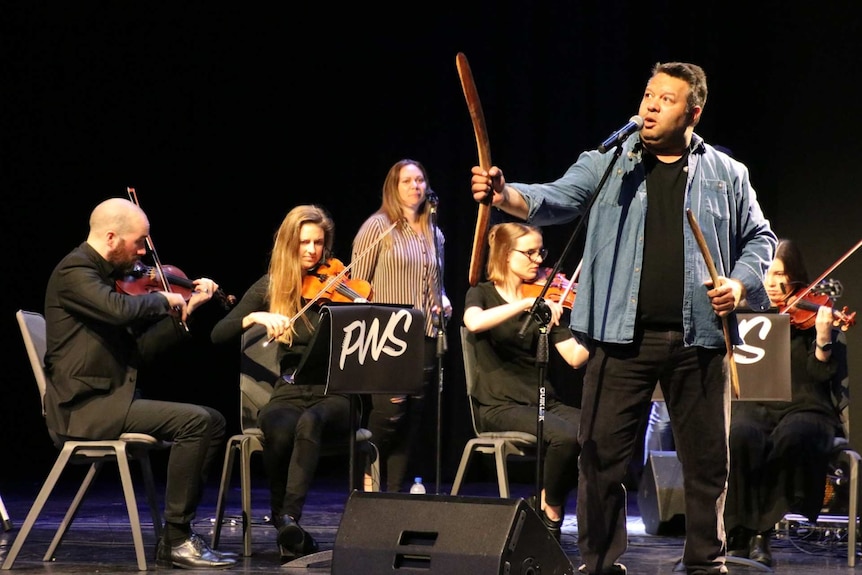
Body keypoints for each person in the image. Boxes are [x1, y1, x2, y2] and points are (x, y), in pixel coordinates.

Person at [469, 61, 777, 575]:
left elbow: (760, 240)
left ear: (693, 112)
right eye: (649, 94)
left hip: (698, 339)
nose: (651, 105)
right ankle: (600, 565)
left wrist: (739, 283)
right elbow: (553, 197)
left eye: (666, 99)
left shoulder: (728, 174)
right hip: (619, 339)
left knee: (707, 466)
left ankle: (706, 563)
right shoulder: (611, 160)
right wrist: (504, 195)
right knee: (601, 462)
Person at [43, 197, 235, 570]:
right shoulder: (74, 272)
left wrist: (187, 309)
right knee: (200, 422)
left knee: (208, 418)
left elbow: (139, 353)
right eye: (139, 242)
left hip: (109, 399)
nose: (144, 252)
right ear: (112, 237)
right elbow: (119, 308)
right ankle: (177, 539)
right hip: (85, 409)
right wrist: (165, 298)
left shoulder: (100, 278)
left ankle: (178, 535)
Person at [210, 204, 360, 561]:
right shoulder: (272, 285)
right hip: (291, 389)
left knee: (311, 421)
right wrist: (256, 314)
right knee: (276, 423)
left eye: (319, 243)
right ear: (288, 246)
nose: (312, 251)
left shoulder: (340, 286)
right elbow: (218, 335)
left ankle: (286, 516)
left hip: (336, 392)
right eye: (304, 243)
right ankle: (288, 528)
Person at [725, 239, 848, 567]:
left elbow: (821, 376)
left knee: (793, 436)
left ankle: (760, 533)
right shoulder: (747, 312)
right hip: (756, 401)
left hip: (806, 405)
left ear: (794, 277)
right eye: (765, 274)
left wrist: (822, 340)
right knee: (740, 433)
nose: (771, 283)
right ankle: (737, 531)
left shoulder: (813, 317)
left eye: (779, 274)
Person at [463, 222, 589, 541]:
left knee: (598, 431)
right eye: (530, 252)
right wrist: (523, 304)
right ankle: (553, 510)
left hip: (544, 401)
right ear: (506, 254)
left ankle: (545, 501)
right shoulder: (483, 293)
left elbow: (574, 356)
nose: (539, 260)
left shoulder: (545, 299)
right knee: (566, 437)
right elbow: (474, 322)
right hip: (499, 405)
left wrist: (599, 332)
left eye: (540, 252)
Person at [350, 158, 452, 493]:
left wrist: (444, 300)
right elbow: (355, 285)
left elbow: (435, 283)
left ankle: (392, 492)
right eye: (406, 181)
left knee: (413, 417)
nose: (415, 187)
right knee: (390, 412)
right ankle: (365, 471)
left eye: (420, 180)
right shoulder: (380, 226)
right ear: (393, 188)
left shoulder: (434, 232)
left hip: (425, 334)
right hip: (388, 334)